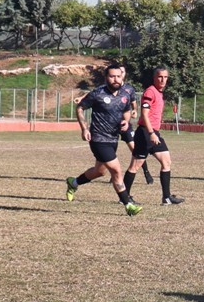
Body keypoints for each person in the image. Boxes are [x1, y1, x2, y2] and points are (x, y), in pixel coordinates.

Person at [67, 63, 143, 215]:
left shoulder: (125, 93)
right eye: (112, 76)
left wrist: (125, 121)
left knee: (99, 171)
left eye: (118, 76)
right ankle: (128, 204)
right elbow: (80, 107)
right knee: (116, 170)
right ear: (106, 77)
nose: (116, 79)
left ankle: (73, 182)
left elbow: (127, 111)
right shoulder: (98, 93)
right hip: (98, 138)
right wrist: (84, 128)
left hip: (113, 138)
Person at [135, 66, 182, 205]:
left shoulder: (159, 92)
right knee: (135, 166)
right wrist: (151, 133)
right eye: (160, 77)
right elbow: (144, 114)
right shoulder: (150, 91)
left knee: (166, 161)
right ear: (154, 77)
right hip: (146, 132)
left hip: (153, 132)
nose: (163, 80)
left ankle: (166, 198)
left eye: (165, 77)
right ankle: (123, 197)